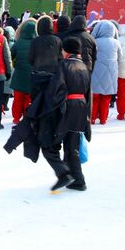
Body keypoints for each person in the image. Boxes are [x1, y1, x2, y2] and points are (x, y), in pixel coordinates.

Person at [36, 37, 91, 191]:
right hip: (81, 107)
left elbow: (55, 90)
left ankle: (64, 173)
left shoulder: (64, 65)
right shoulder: (84, 66)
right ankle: (78, 180)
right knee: (71, 145)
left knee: (49, 144)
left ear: (66, 51)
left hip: (66, 108)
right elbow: (88, 92)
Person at [89, 20, 122, 125]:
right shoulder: (116, 42)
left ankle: (92, 118)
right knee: (106, 97)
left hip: (96, 71)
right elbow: (120, 58)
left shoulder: (95, 41)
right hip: (111, 73)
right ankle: (103, 119)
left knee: (95, 96)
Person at [10, 18, 37, 124]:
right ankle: (27, 117)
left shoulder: (18, 42)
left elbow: (10, 55)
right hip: (31, 75)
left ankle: (16, 118)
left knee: (17, 99)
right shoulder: (36, 43)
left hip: (19, 75)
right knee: (28, 98)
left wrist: (14, 64)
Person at [29, 16, 63, 96]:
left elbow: (30, 58)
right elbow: (60, 58)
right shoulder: (57, 40)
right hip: (53, 75)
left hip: (37, 75)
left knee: (36, 101)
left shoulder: (35, 41)